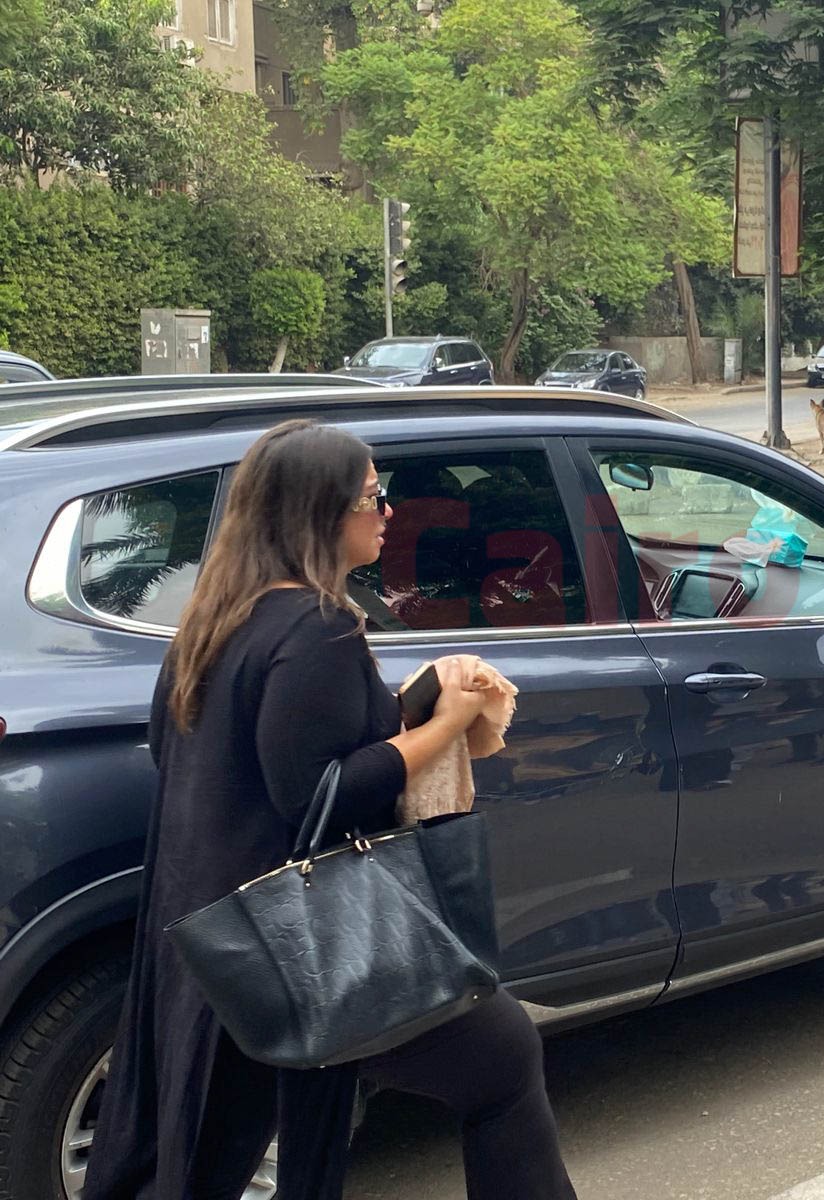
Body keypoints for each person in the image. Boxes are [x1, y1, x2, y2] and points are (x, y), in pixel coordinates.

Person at [84, 419, 577, 1200]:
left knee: (207, 1154)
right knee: (504, 1059)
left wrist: (415, 698)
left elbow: (253, 748)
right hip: (301, 938)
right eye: (374, 497)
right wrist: (447, 725)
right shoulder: (319, 626)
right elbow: (320, 789)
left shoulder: (215, 621)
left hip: (220, 932)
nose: (389, 513)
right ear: (320, 513)